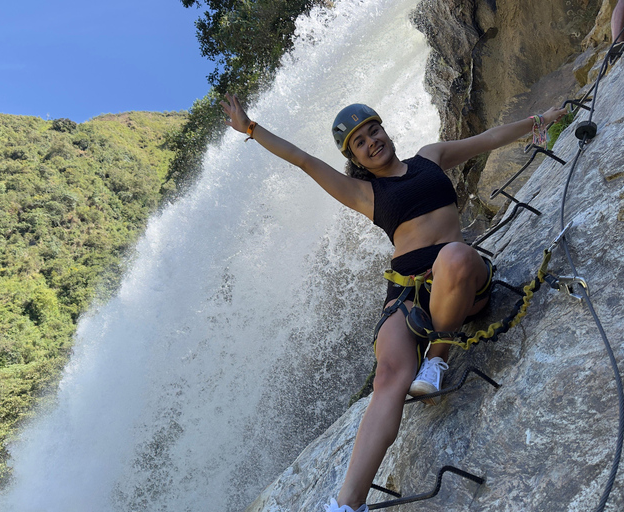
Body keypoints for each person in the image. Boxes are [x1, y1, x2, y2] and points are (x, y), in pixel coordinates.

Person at [220, 93, 566, 512]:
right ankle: (347, 504)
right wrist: (251, 129)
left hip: (458, 279)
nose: (371, 142)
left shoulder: (430, 157)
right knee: (388, 376)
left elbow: (489, 138)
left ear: (384, 129)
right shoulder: (364, 192)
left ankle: (436, 360)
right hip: (404, 291)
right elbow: (305, 161)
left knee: (453, 256)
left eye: (373, 131)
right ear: (356, 158)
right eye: (360, 143)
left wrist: (539, 119)